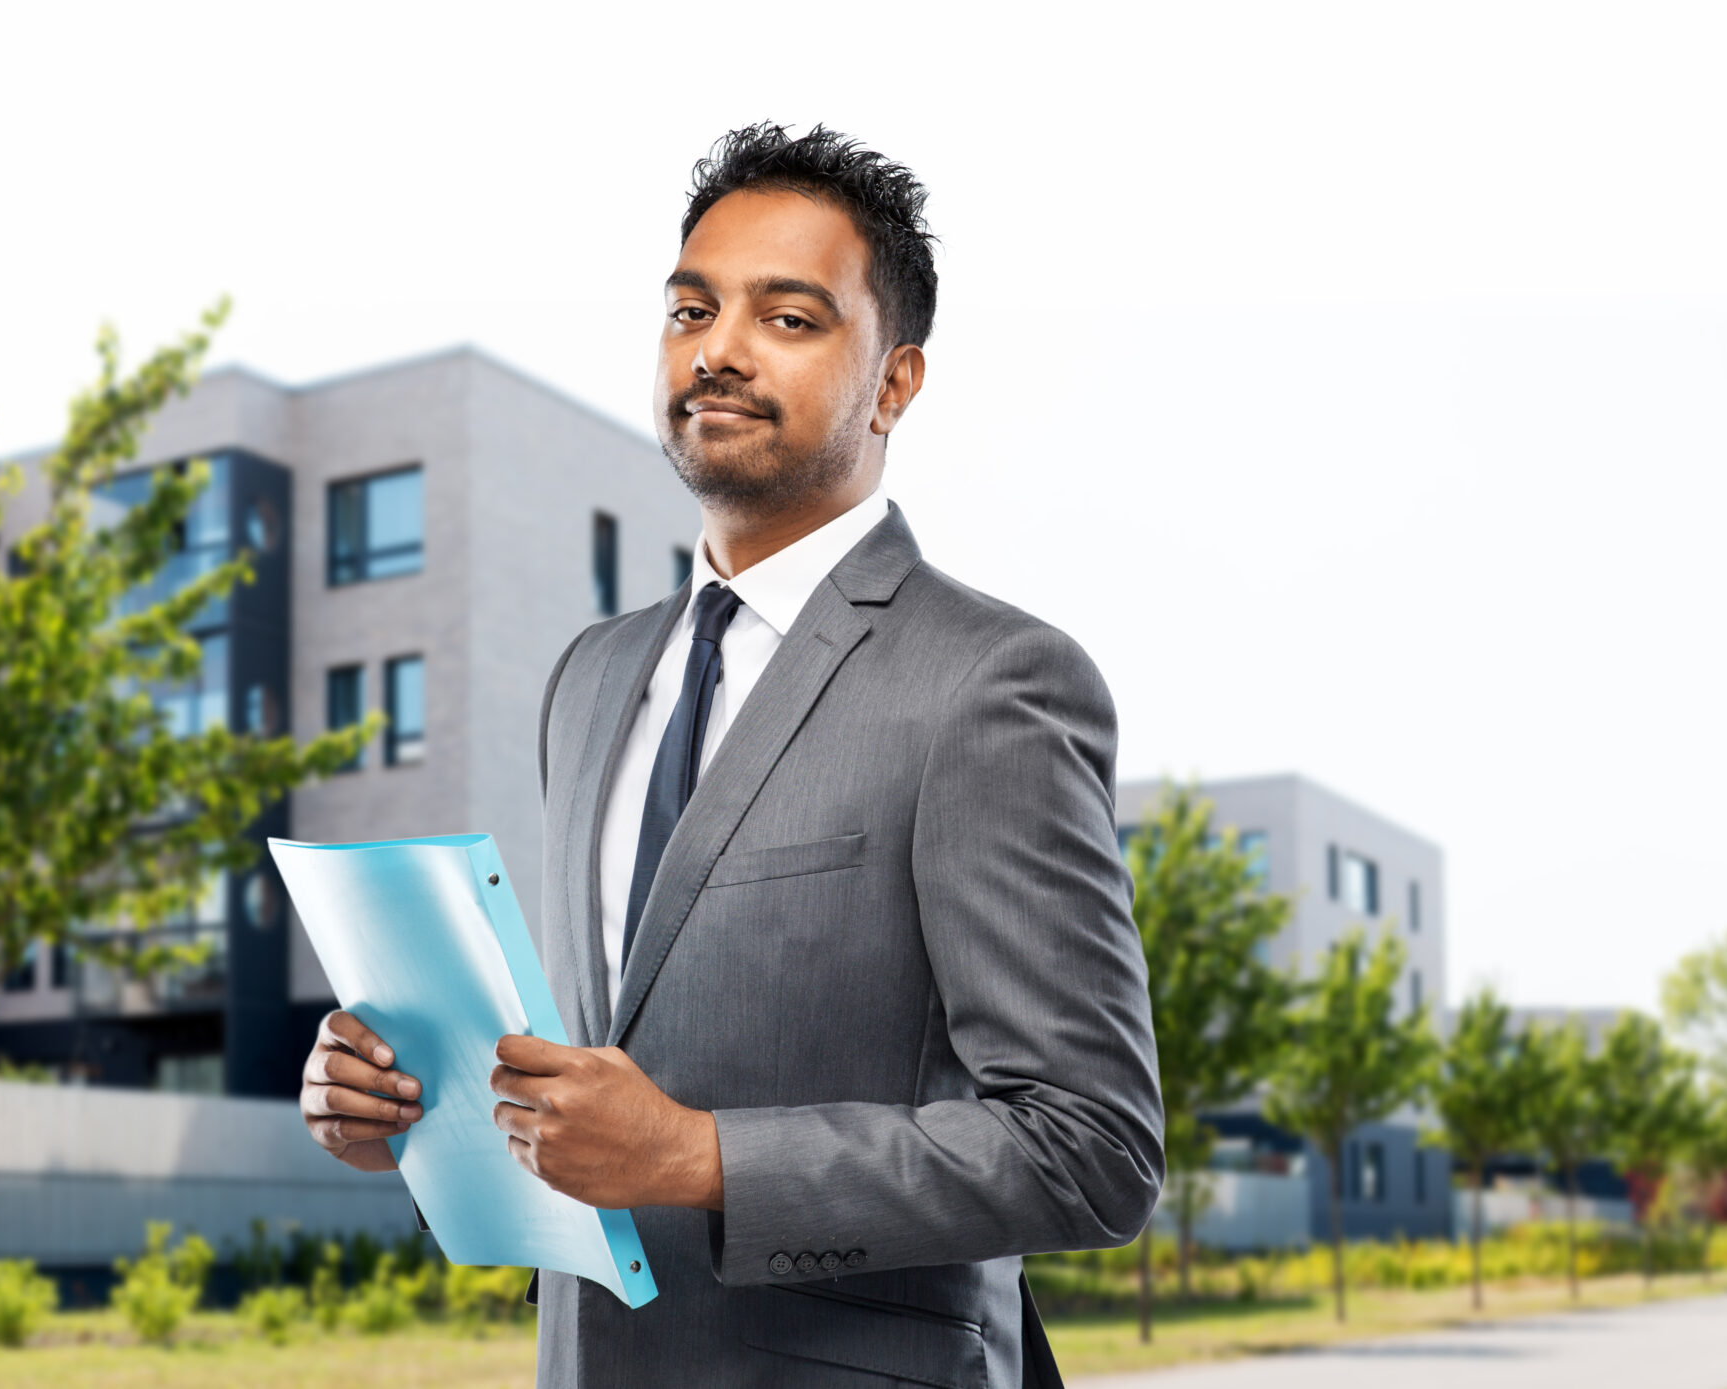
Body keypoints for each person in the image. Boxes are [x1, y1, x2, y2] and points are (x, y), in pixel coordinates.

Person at [299, 122, 1163, 1388]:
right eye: (690, 308)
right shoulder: (588, 680)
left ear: (894, 382)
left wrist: (700, 1157)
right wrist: (413, 1124)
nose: (716, 348)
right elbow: (593, 1072)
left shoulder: (987, 681)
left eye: (790, 318)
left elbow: (1091, 1150)